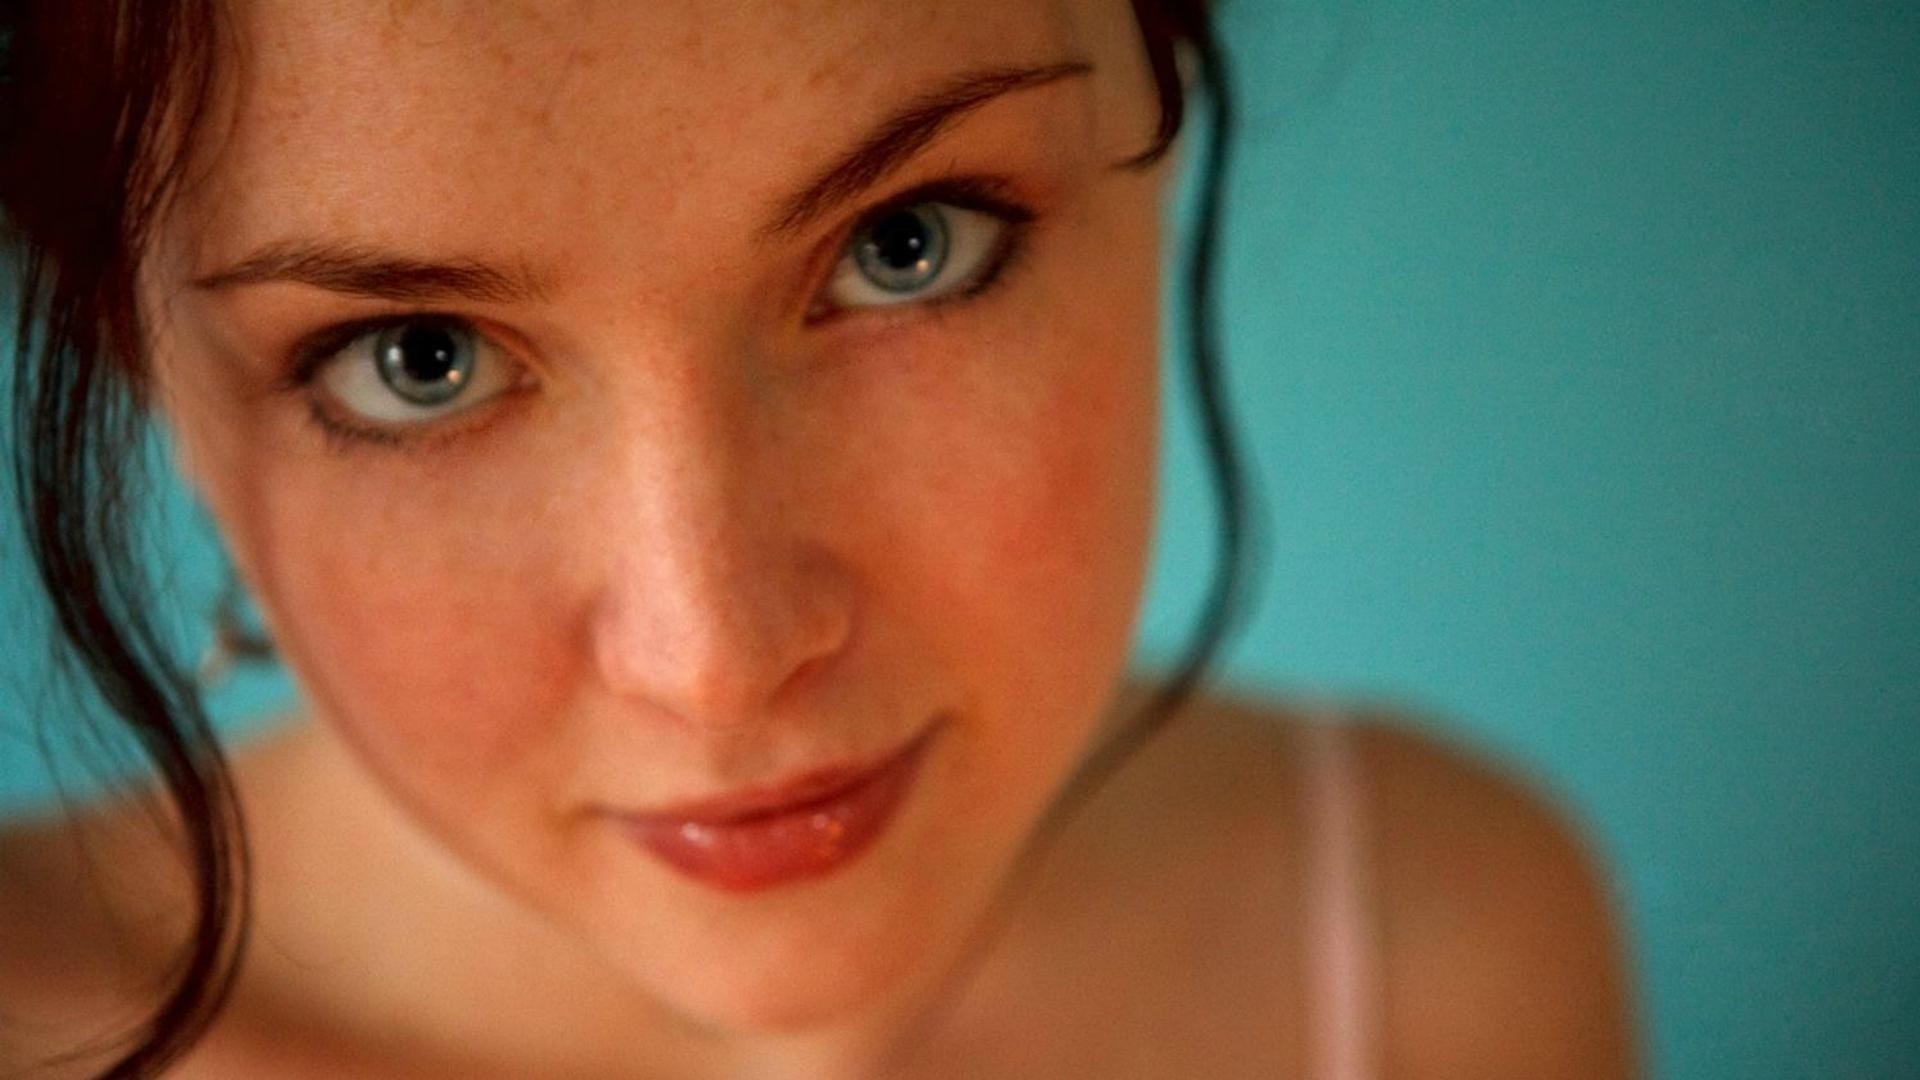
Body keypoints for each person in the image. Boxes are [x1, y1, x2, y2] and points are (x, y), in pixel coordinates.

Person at [0, 2, 1637, 1076]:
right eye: (416, 360)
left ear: (1168, 93)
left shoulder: (1434, 955)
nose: (718, 661)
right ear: (144, 366)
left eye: (907, 245)